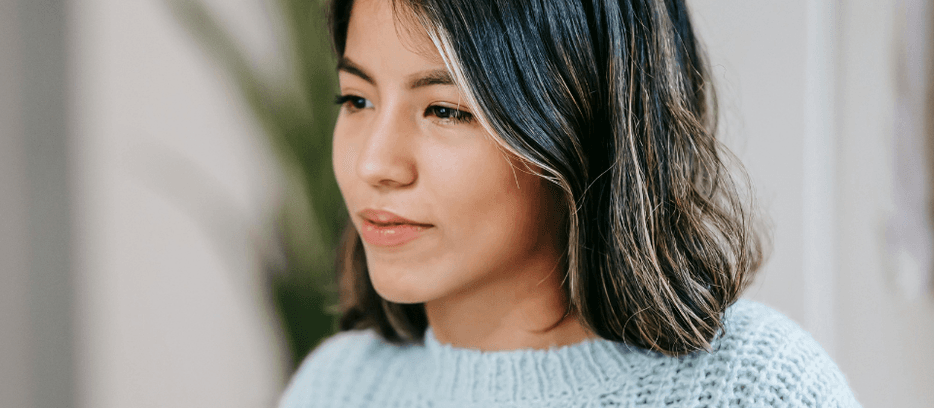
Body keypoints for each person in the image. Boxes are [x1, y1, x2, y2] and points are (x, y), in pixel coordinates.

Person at [278, 0, 861, 406]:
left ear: (580, 122)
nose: (374, 164)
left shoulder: (751, 390)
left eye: (446, 110)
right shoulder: (337, 389)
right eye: (355, 100)